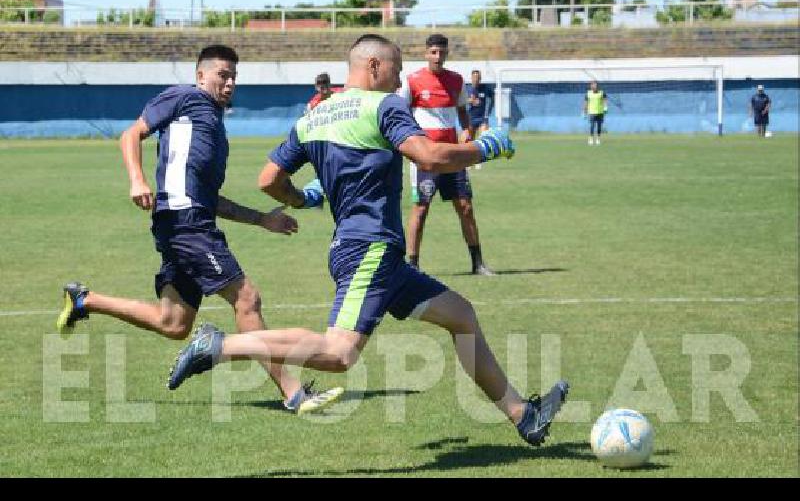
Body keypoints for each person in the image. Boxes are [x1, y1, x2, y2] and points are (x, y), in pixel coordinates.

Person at [166, 34, 570, 448]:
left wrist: (301, 198)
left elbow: (268, 179)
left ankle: (525, 416)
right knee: (340, 355)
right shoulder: (384, 105)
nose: (398, 85)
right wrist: (481, 148)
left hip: (375, 255)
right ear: (374, 67)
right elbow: (428, 157)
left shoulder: (313, 117)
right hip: (369, 249)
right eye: (395, 73)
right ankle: (219, 345)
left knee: (461, 316)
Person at [55, 45, 342, 415]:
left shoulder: (215, 130)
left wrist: (261, 220)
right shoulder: (184, 98)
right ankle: (294, 394)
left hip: (188, 221)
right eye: (222, 74)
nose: (229, 83)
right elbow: (131, 135)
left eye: (234, 77)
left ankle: (84, 299)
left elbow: (211, 199)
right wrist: (137, 179)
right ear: (201, 75)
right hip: (184, 222)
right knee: (247, 299)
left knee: (173, 323)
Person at [399, 34, 495, 275]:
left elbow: (463, 111)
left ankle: (478, 263)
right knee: (420, 209)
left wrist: (467, 131)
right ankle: (412, 266)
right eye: (433, 52)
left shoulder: (456, 81)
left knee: (465, 207)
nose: (437, 56)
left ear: (447, 53)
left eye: (441, 52)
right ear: (426, 53)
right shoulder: (412, 81)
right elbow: (401, 114)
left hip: (453, 156)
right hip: (426, 158)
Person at [466, 69, 494, 141]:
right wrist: (470, 100)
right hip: (470, 118)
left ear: (480, 79)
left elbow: (493, 97)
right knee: (469, 140)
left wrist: (489, 110)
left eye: (478, 78)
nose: (476, 79)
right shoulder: (467, 88)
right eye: (474, 77)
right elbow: (460, 101)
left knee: (485, 138)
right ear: (471, 78)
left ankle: (483, 151)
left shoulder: (485, 88)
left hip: (482, 118)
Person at [583, 81, 608, 145]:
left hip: (600, 112)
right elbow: (585, 103)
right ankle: (591, 139)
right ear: (591, 86)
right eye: (593, 85)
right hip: (591, 112)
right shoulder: (588, 93)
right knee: (592, 126)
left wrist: (605, 108)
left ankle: (598, 139)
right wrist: (584, 112)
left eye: (595, 85)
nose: (594, 87)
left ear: (597, 86)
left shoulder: (601, 93)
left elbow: (605, 100)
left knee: (599, 126)